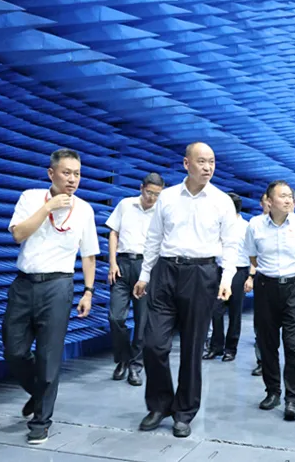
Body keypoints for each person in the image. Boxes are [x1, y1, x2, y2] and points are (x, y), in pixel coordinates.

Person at [134, 142, 238, 438]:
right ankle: (159, 405)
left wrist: (226, 279)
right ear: (186, 164)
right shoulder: (167, 197)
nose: (208, 167)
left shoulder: (221, 201)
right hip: (165, 272)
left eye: (212, 162)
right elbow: (154, 239)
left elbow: (231, 244)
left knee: (192, 348)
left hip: (202, 274)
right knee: (154, 344)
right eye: (202, 161)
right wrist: (144, 275)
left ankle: (184, 412)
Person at [4, 149, 98, 445]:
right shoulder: (30, 198)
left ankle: (41, 421)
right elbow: (18, 234)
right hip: (24, 284)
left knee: (49, 356)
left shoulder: (85, 209)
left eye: (77, 174)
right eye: (66, 173)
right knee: (14, 350)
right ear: (51, 173)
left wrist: (88, 291)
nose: (72, 179)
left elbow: (89, 255)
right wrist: (48, 208)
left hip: (58, 287)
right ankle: (38, 392)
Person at [245, 180, 295, 421]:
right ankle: (272, 391)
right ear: (269, 201)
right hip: (265, 288)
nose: (288, 200)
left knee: (293, 344)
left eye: (290, 196)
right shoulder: (255, 225)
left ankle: (292, 399)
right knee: (267, 343)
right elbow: (253, 258)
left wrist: (294, 277)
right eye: (283, 196)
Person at [105, 173, 165, 386]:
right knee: (115, 317)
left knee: (142, 321)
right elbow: (113, 233)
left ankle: (135, 366)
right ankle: (123, 358)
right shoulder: (125, 205)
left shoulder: (161, 213)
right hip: (122, 265)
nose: (152, 198)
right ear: (141, 188)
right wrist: (112, 263)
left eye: (157, 195)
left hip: (146, 268)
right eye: (149, 192)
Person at [204, 193, 251, 362]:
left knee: (234, 312)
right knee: (215, 310)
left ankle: (231, 349)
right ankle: (216, 347)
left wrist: (250, 277)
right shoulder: (217, 225)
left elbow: (253, 253)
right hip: (219, 269)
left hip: (239, 271)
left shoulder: (246, 227)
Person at [249, 192, 270, 377]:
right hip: (263, 281)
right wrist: (251, 276)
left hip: (289, 285)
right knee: (261, 326)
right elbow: (251, 254)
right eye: (266, 202)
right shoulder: (255, 224)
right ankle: (262, 362)